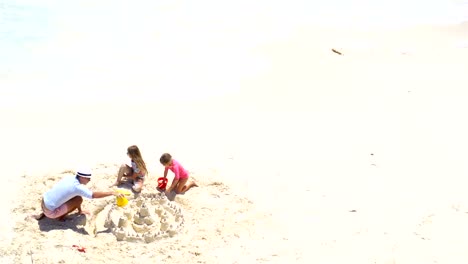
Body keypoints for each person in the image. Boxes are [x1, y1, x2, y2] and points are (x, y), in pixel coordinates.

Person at [34, 167, 122, 221]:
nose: (89, 180)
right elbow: (93, 195)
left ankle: (79, 211)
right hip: (51, 212)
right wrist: (112, 193)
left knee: (76, 197)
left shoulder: (69, 177)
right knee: (78, 199)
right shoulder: (77, 187)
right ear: (82, 177)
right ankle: (60, 217)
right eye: (88, 178)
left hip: (43, 203)